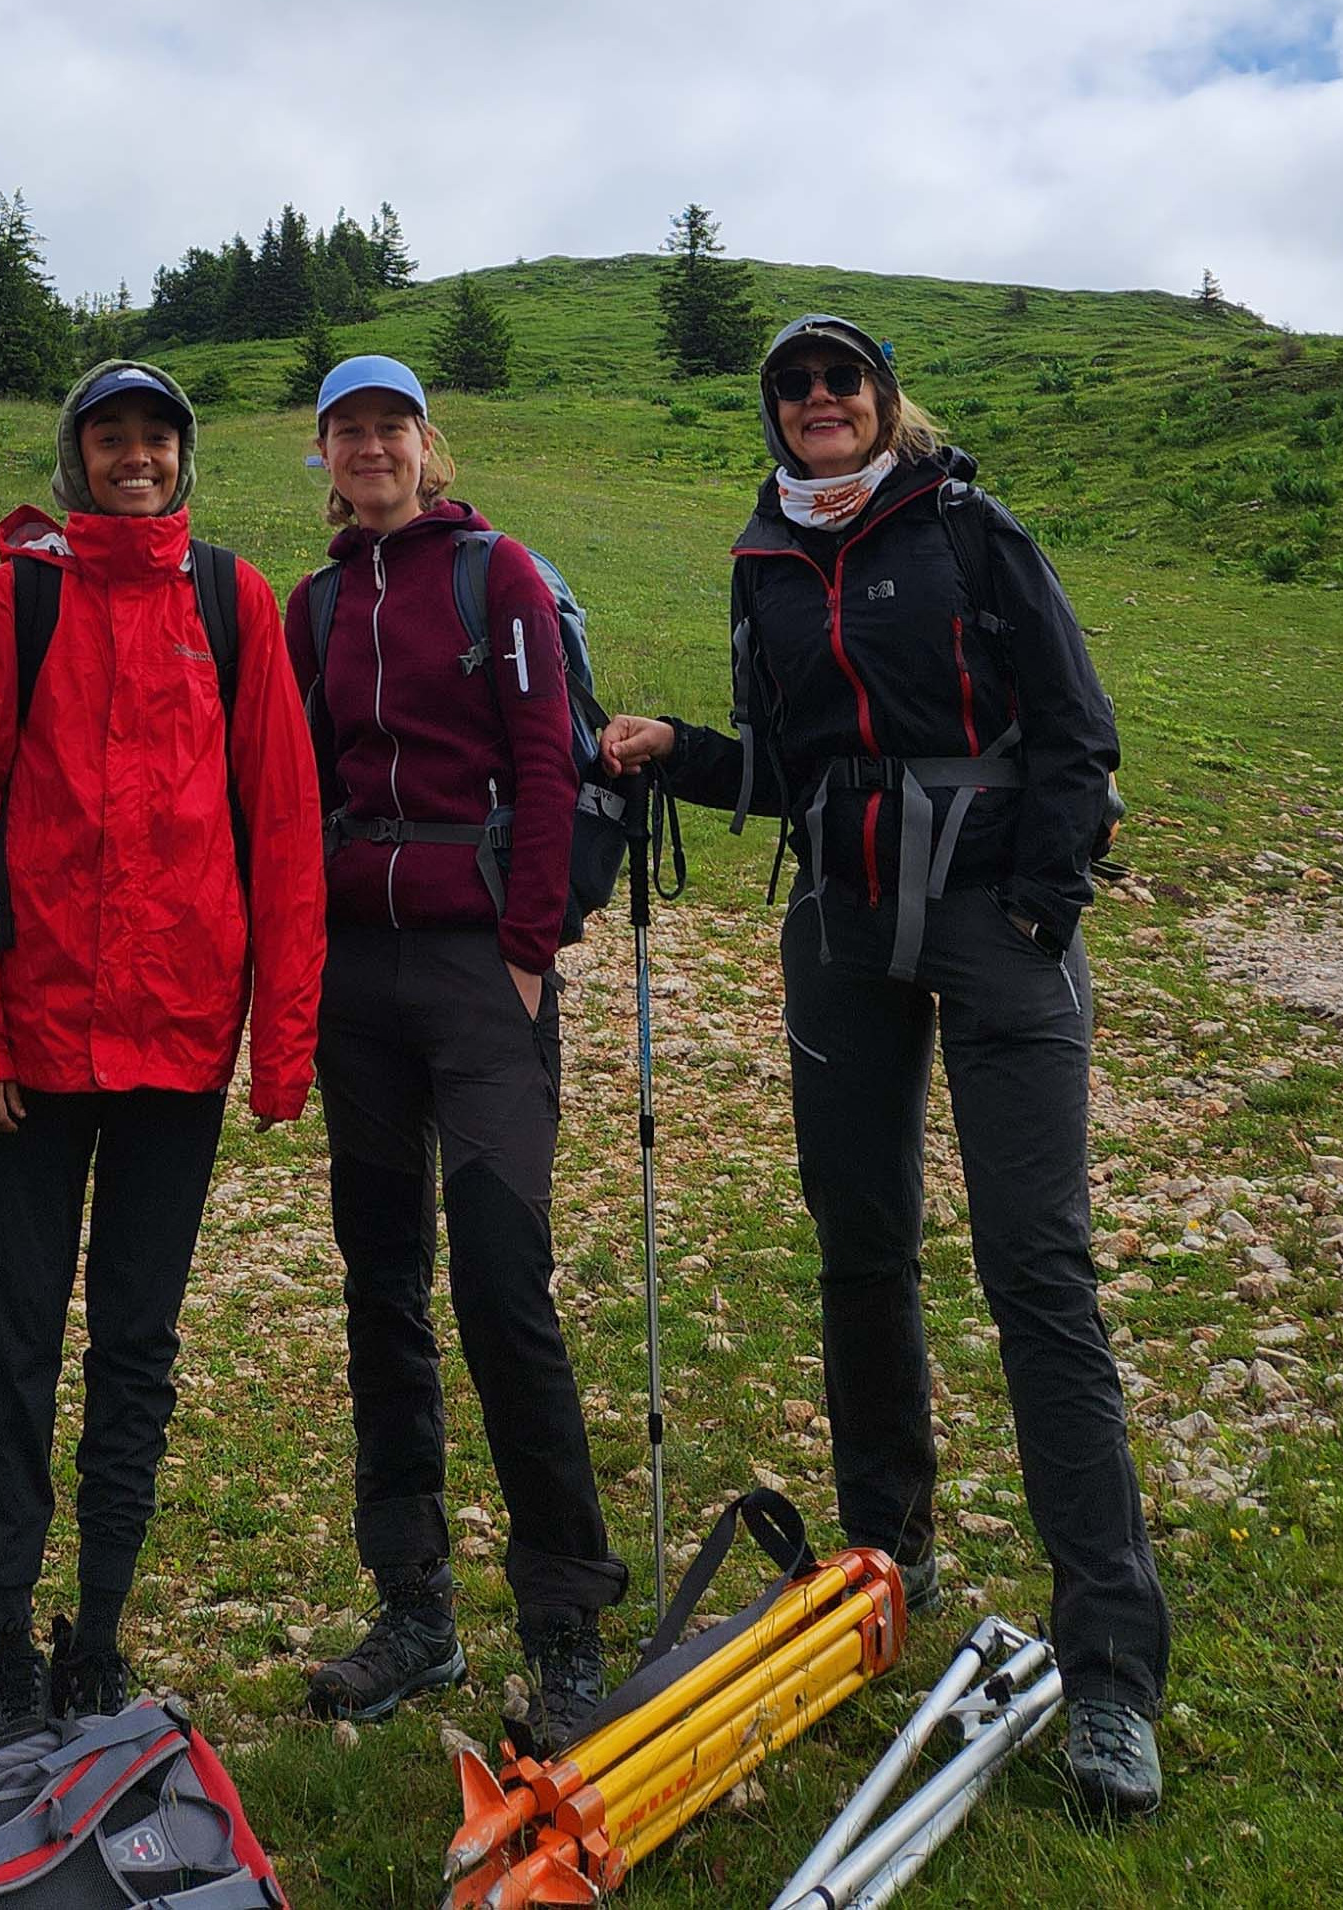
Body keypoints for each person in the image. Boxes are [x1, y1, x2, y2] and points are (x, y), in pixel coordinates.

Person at [598, 313, 1169, 1816]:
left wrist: (1042, 902)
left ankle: (1109, 1668)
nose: (818, 402)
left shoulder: (970, 532)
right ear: (773, 414)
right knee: (860, 1246)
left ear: (883, 398)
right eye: (792, 386)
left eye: (840, 378)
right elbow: (798, 768)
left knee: (1037, 1270)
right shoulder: (766, 560)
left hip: (998, 925)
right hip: (841, 924)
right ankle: (883, 1556)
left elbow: (1076, 729)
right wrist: (689, 752)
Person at [0, 360, 326, 1736]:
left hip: (179, 1046)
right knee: (16, 1345)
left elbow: (281, 823)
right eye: (113, 436)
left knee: (137, 1346)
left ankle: (97, 1630)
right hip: (32, 1055)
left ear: (184, 456)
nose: (137, 456)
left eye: (158, 436)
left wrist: (284, 1043)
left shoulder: (235, 602)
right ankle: (3, 1642)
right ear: (76, 453)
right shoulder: (13, 604)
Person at [285, 354, 628, 1753]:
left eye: (390, 428)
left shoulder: (504, 576)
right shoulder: (312, 605)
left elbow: (550, 763)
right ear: (323, 455)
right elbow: (299, 783)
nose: (371, 450)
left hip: (484, 970)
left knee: (501, 1281)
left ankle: (564, 1621)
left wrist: (531, 946)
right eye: (346, 432)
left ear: (430, 444)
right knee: (382, 1284)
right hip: (357, 979)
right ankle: (414, 1610)